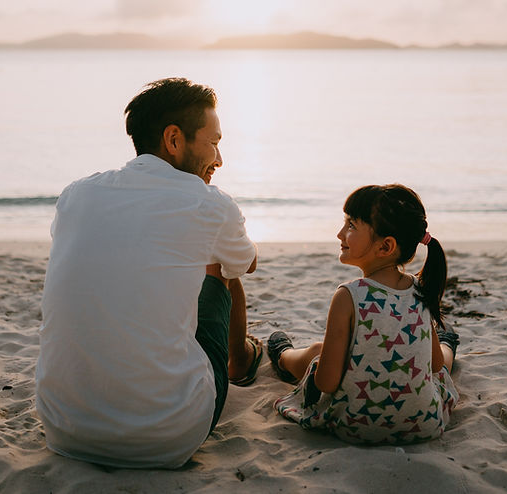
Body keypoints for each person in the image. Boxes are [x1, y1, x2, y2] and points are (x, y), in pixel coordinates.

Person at [36, 77, 263, 469]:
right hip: (167, 435)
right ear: (174, 140)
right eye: (214, 142)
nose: (219, 160)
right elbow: (245, 263)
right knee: (219, 264)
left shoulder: (76, 194)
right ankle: (240, 361)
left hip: (64, 429)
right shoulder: (210, 205)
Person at [268, 184, 459, 444]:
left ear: (385, 246)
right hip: (424, 424)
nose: (339, 234)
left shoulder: (348, 296)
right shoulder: (419, 290)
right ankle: (447, 341)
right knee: (440, 360)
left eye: (351, 226)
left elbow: (326, 383)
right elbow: (435, 365)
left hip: (354, 427)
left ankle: (282, 356)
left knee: (317, 354)